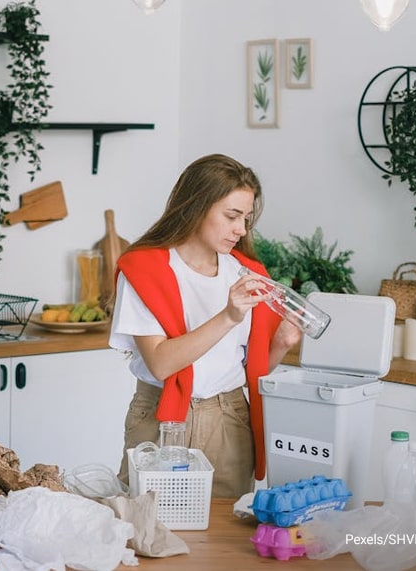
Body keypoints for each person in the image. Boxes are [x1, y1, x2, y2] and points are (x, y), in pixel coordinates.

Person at [110, 153, 302, 498]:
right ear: (196, 206)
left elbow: (247, 369)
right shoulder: (144, 271)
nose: (241, 229)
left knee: (226, 541)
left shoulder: (248, 273)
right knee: (147, 527)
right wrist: (228, 316)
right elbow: (161, 362)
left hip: (229, 418)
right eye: (232, 216)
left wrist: (282, 344)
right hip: (160, 418)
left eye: (246, 218)